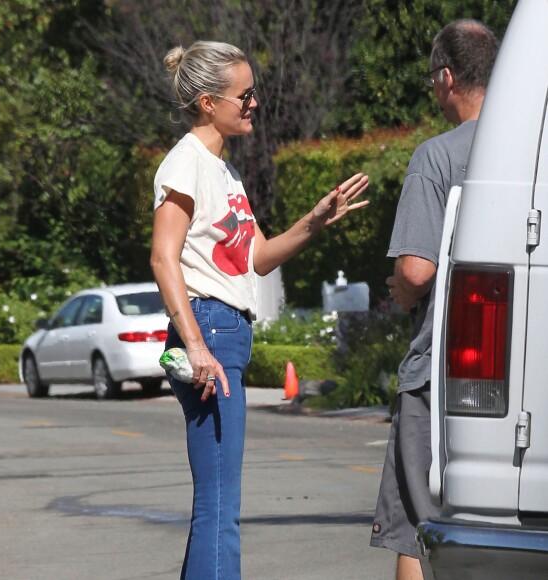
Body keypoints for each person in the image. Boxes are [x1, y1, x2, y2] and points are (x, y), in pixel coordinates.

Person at [150, 40, 369, 580]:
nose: (253, 104)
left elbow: (259, 258)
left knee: (218, 504)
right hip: (210, 335)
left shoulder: (225, 173)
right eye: (243, 96)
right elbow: (162, 256)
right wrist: (196, 346)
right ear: (207, 102)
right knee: (221, 509)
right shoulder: (186, 163)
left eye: (254, 93)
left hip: (225, 334)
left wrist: (315, 220)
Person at [369, 20, 499, 580]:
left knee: (416, 528)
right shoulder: (535, 154)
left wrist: (399, 288)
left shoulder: (437, 156)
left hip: (442, 371)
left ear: (447, 78)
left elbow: (417, 270)